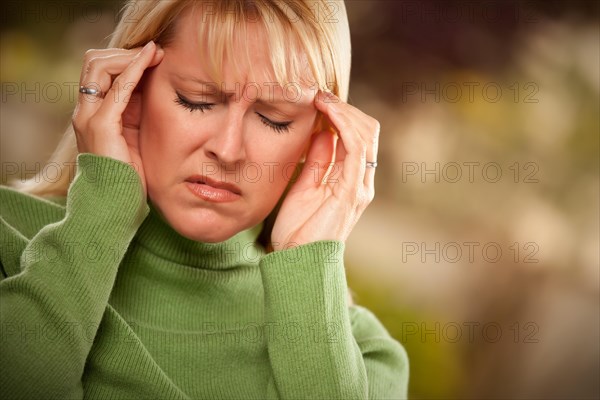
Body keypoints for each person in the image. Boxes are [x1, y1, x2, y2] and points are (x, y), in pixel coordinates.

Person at [0, 0, 409, 398]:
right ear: (128, 90)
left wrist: (309, 260)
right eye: (196, 100)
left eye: (274, 119)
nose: (228, 150)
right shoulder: (9, 241)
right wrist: (104, 203)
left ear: (316, 140)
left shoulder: (363, 357)